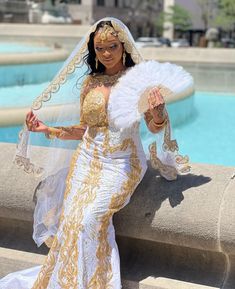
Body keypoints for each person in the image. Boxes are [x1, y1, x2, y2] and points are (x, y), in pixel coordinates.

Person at [0, 17, 188, 289]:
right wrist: (46, 129)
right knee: (71, 220)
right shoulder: (90, 83)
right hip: (86, 161)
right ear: (94, 51)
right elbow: (85, 129)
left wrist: (158, 112)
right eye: (100, 49)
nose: (107, 53)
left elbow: (154, 127)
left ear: (123, 47)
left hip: (123, 164)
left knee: (91, 218)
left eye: (112, 46)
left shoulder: (140, 84)